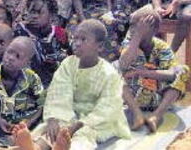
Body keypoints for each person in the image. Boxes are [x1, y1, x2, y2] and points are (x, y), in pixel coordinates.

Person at [11, 19, 131, 150]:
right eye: (75, 38)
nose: (77, 43)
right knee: (51, 130)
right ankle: (34, 147)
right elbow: (58, 92)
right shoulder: (68, 63)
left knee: (82, 137)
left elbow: (106, 109)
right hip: (69, 114)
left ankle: (63, 147)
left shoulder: (109, 73)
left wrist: (76, 126)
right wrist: (53, 118)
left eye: (83, 39)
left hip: (94, 122)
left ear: (100, 46)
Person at [119, 6, 189, 132]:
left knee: (182, 70)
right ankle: (137, 115)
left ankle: (156, 116)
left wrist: (142, 72)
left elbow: (172, 74)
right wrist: (138, 35)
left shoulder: (162, 47)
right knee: (113, 70)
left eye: (139, 25)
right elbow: (123, 64)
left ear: (154, 29)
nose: (133, 29)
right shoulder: (130, 43)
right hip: (135, 96)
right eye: (132, 26)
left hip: (158, 97)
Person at [0, 37, 45, 148]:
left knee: (47, 122)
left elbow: (41, 104)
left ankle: (25, 142)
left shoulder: (32, 78)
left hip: (20, 126)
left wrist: (27, 123)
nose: (10, 58)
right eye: (9, 52)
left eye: (18, 56)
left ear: (27, 62)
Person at [14, 0, 68, 87]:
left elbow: (70, 58)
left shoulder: (60, 33)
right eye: (32, 12)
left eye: (39, 13)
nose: (34, 16)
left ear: (52, 15)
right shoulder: (19, 32)